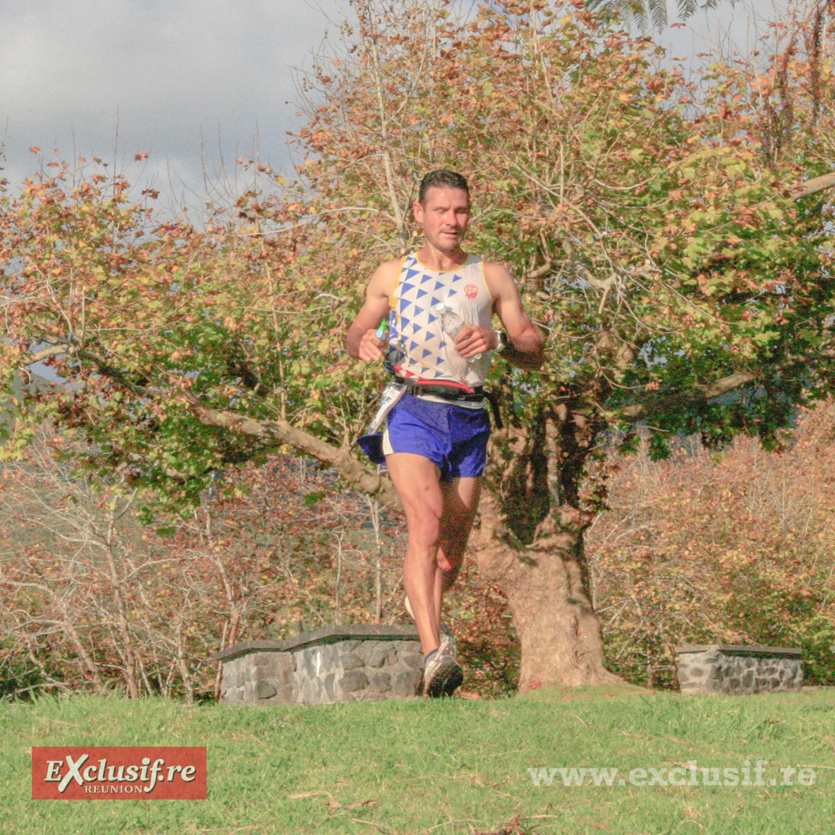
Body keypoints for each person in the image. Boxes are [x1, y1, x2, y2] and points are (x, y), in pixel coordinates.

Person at [346, 170, 544, 697]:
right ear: (419, 214)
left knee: (449, 555)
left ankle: (425, 621)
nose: (452, 221)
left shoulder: (492, 276)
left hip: (470, 417)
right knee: (426, 523)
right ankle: (436, 654)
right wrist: (364, 342)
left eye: (460, 211)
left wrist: (497, 340)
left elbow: (533, 346)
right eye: (441, 211)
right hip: (412, 408)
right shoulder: (392, 274)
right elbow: (358, 329)